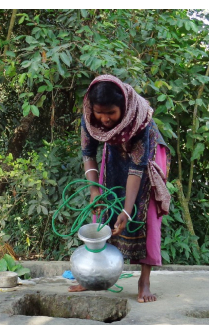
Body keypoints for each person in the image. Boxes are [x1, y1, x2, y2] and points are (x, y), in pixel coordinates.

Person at [69, 74, 171, 303]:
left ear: (123, 109)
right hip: (115, 151)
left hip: (149, 156)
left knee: (144, 212)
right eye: (100, 113)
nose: (104, 119)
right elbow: (88, 154)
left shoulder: (140, 118)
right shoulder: (89, 118)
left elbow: (137, 168)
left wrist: (126, 210)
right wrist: (95, 191)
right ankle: (94, 277)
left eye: (111, 113)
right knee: (103, 207)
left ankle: (144, 281)